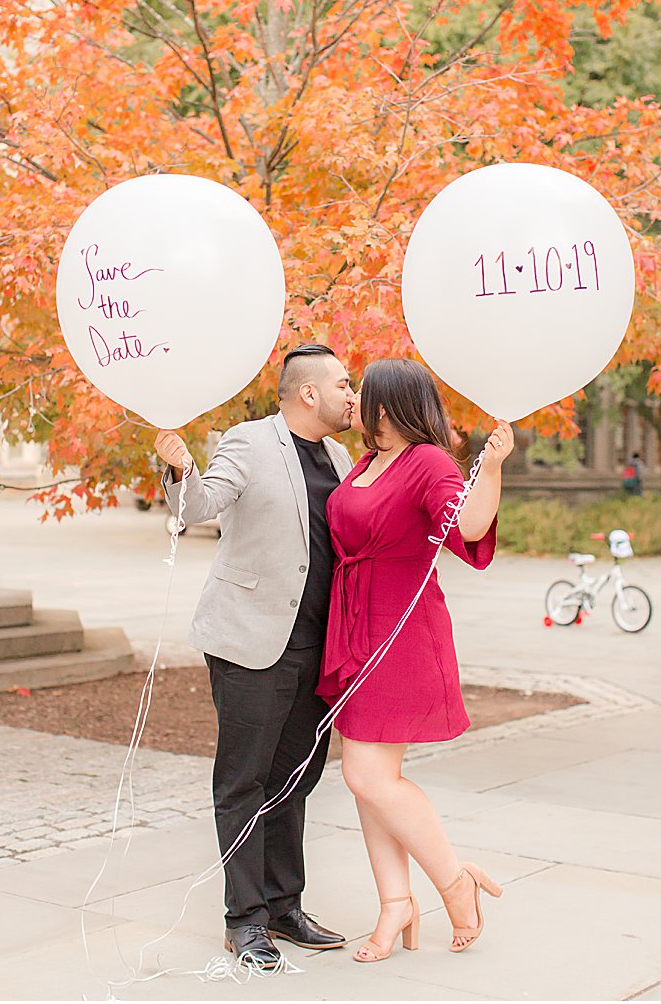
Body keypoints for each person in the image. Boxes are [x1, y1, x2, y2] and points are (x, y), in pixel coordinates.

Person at [154, 344, 356, 969]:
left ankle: (284, 906)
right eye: (346, 384)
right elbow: (198, 508)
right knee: (243, 783)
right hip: (250, 641)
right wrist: (178, 467)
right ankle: (243, 920)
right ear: (309, 394)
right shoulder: (247, 442)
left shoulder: (344, 455)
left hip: (319, 648)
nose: (355, 395)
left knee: (294, 780)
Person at [316, 359, 513, 963]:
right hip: (356, 627)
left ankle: (456, 882)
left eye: (361, 393)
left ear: (388, 404)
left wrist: (494, 465)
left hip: (401, 633)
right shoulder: (366, 463)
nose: (352, 402)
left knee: (367, 776)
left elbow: (470, 525)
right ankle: (394, 903)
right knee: (367, 781)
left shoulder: (426, 461)